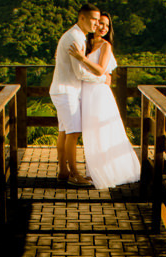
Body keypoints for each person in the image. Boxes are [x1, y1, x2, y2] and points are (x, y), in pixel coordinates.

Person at [68, 12, 141, 190]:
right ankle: (93, 170)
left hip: (99, 94)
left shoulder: (105, 45)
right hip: (85, 92)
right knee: (90, 133)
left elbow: (101, 70)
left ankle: (105, 171)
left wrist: (82, 58)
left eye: (107, 26)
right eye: (101, 23)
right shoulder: (85, 42)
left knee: (101, 131)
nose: (103, 28)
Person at [49, 3, 106, 186]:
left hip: (63, 89)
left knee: (64, 131)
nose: (97, 24)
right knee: (73, 133)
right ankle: (74, 174)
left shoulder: (76, 35)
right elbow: (79, 73)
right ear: (82, 18)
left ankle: (63, 171)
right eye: (93, 20)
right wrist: (102, 79)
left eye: (98, 20)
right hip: (66, 91)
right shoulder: (75, 37)